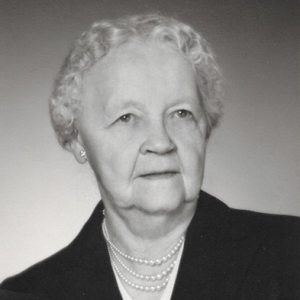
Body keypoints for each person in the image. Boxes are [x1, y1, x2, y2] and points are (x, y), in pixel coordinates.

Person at [1, 14, 299, 300]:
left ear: (206, 126)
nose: (160, 142)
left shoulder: (290, 254)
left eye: (181, 113)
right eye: (127, 117)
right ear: (77, 139)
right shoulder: (27, 293)